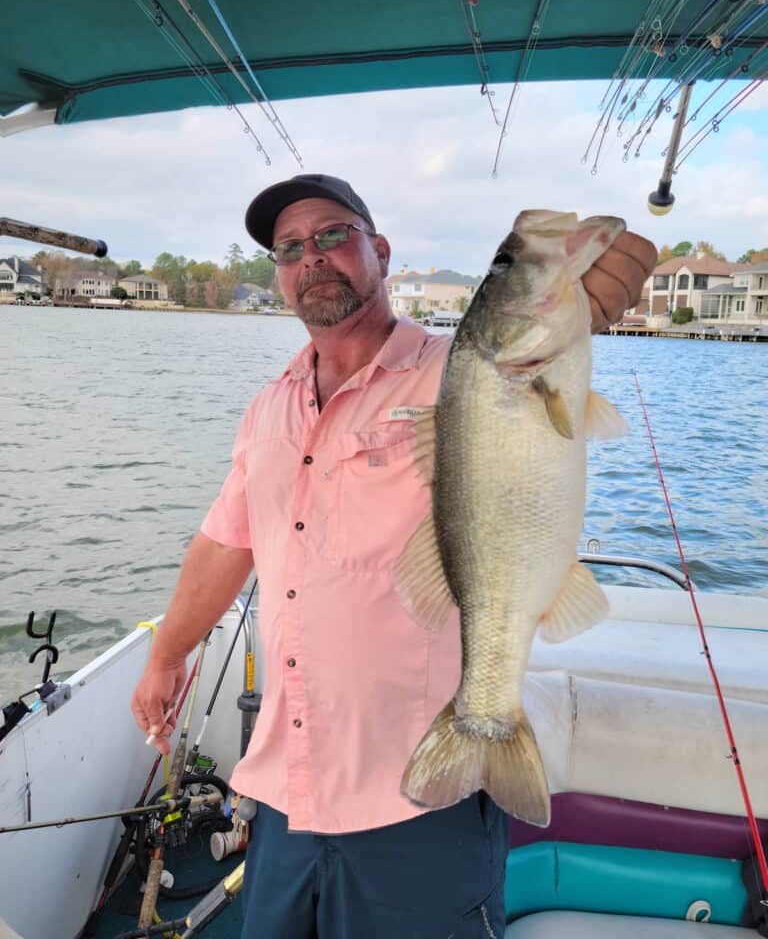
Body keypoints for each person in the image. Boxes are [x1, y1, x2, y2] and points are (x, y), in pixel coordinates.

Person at [131, 174, 657, 938]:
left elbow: (575, 313)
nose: (311, 256)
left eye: (333, 235)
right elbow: (226, 540)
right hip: (286, 793)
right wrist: (166, 655)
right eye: (289, 248)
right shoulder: (269, 405)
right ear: (278, 274)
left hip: (419, 794)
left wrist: (589, 289)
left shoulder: (462, 371)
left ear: (379, 251)